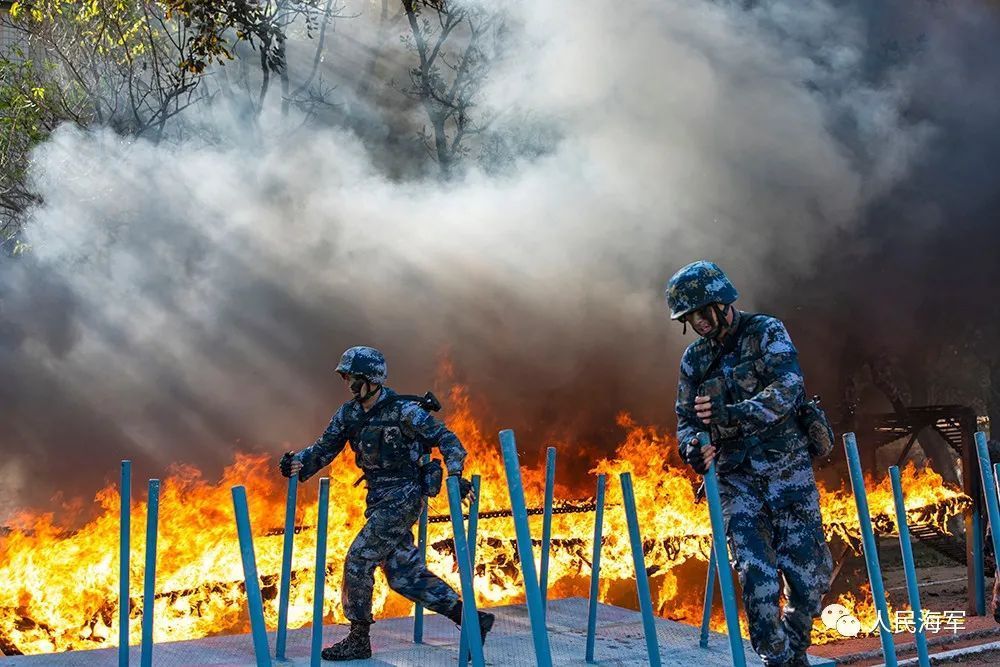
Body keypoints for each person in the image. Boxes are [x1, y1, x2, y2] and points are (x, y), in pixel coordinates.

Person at [280, 345, 494, 661]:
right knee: (402, 574)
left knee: (359, 558)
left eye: (353, 378)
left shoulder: (404, 411)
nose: (349, 385)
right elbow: (324, 449)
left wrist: (455, 475)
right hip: (378, 499)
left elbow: (447, 439)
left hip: (404, 496)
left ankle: (358, 639)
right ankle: (471, 618)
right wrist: (298, 463)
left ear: (371, 379)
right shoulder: (349, 414)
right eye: (346, 378)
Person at [667, 260, 833, 667]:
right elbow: (686, 421)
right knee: (758, 581)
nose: (698, 322)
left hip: (787, 472)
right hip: (736, 481)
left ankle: (793, 651)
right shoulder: (694, 360)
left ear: (722, 303)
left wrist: (733, 414)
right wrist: (693, 449)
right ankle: (777, 659)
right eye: (690, 317)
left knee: (810, 579)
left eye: (703, 312)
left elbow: (789, 388)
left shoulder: (766, 332)